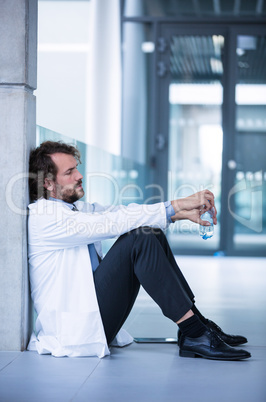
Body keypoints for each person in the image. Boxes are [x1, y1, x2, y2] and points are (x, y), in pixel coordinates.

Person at [27, 141, 251, 361]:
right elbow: (111, 223)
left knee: (150, 232)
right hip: (74, 330)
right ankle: (195, 333)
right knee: (140, 238)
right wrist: (179, 204)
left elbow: (122, 212)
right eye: (70, 172)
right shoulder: (44, 217)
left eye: (77, 168)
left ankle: (197, 327)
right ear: (47, 183)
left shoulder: (75, 209)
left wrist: (178, 214)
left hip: (92, 315)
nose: (79, 175)